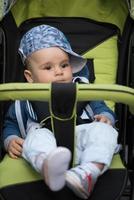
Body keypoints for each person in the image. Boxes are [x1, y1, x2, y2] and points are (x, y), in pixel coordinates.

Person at [2, 25, 118, 199]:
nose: (59, 72)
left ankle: (88, 173)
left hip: (82, 140)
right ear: (30, 77)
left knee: (105, 131)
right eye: (48, 68)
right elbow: (10, 124)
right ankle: (47, 166)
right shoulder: (23, 98)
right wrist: (10, 140)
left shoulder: (85, 90)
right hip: (47, 144)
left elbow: (103, 109)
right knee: (35, 137)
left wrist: (106, 118)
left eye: (64, 65)